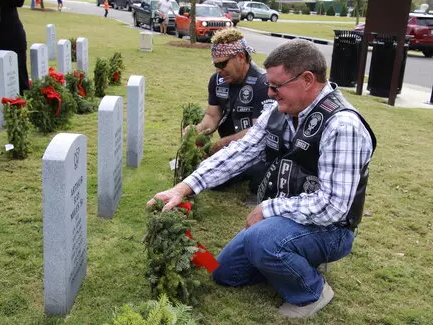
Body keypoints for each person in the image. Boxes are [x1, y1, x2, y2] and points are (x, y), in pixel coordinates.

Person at [148, 39, 376, 318]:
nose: (269, 92)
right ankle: (288, 255)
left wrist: (269, 209)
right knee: (223, 272)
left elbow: (333, 206)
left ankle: (311, 293)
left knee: (263, 240)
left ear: (307, 80)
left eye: (276, 86)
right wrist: (184, 188)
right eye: (269, 84)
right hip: (286, 217)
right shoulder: (278, 111)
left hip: (331, 230)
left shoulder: (342, 125)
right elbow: (239, 152)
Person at [189, 28, 274, 193]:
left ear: (241, 57)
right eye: (215, 64)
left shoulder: (263, 84)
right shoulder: (217, 80)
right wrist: (198, 130)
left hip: (255, 152)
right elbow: (212, 115)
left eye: (222, 64)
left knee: (225, 181)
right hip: (229, 150)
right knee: (209, 178)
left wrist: (222, 144)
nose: (218, 70)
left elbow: (259, 131)